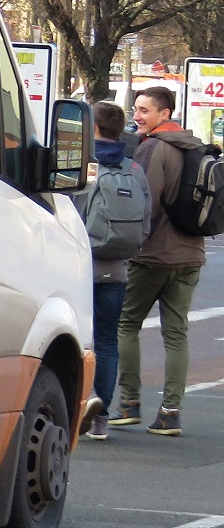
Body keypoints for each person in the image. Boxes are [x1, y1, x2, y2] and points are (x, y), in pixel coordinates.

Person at [114, 85, 206, 435]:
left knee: (126, 325)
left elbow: (145, 204)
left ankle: (129, 403)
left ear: (164, 114)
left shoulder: (153, 148)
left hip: (153, 255)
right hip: (191, 254)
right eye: (135, 109)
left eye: (144, 111)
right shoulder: (196, 146)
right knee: (177, 333)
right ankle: (170, 412)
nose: (136, 116)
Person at [75, 102, 144, 440]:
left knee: (75, 338)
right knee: (106, 340)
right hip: (117, 268)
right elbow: (147, 213)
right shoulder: (134, 168)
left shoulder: (82, 166)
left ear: (94, 128)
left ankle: (79, 404)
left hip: (80, 267)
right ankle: (101, 421)